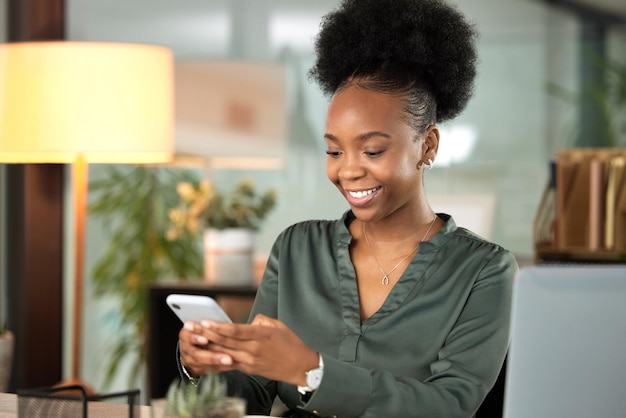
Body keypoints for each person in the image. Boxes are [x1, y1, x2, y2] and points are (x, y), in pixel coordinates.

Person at [177, 0, 518, 416]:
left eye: (373, 150)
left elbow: (449, 405)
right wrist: (204, 367)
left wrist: (311, 371)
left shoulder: (484, 270)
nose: (348, 170)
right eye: (334, 150)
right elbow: (254, 389)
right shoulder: (297, 249)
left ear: (427, 145)